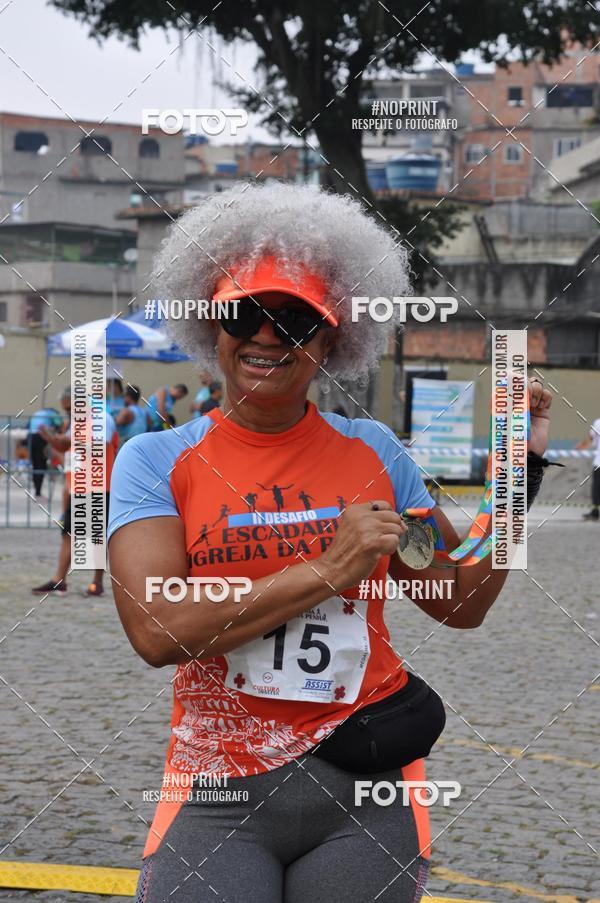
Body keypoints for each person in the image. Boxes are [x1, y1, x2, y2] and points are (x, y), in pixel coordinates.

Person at [107, 183, 554, 903]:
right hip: (220, 788)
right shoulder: (155, 460)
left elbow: (459, 600)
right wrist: (331, 566)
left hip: (365, 782)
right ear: (209, 324)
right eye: (242, 312)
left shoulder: (375, 450)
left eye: (295, 320)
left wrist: (515, 478)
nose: (265, 335)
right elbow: (159, 630)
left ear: (332, 338)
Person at [32, 403, 119, 597]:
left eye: (70, 407)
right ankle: (59, 581)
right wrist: (52, 439)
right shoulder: (79, 422)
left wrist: (70, 440)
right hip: (79, 486)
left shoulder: (102, 419)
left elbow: (99, 448)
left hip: (99, 486)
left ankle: (97, 582)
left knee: (96, 536)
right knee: (69, 534)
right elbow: (65, 447)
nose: (68, 412)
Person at [27, 401, 64, 499]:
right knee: (41, 464)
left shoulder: (37, 413)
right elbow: (59, 425)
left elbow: (27, 425)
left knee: (35, 464)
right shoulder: (52, 413)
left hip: (31, 437)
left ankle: (36, 490)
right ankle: (38, 492)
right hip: (41, 437)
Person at [576, 417, 600, 520]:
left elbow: (591, 437)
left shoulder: (598, 422)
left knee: (597, 487)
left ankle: (595, 512)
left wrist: (581, 446)